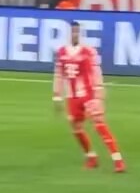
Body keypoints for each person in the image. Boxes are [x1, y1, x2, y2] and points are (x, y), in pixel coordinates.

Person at [52, 22, 125, 172]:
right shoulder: (62, 52)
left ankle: (118, 160)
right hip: (72, 97)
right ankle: (91, 157)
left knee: (99, 124)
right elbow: (59, 74)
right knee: (76, 127)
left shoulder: (89, 51)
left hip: (89, 95)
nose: (75, 34)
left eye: (77, 32)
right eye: (72, 32)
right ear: (68, 33)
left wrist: (99, 95)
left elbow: (96, 72)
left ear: (81, 33)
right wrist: (57, 95)